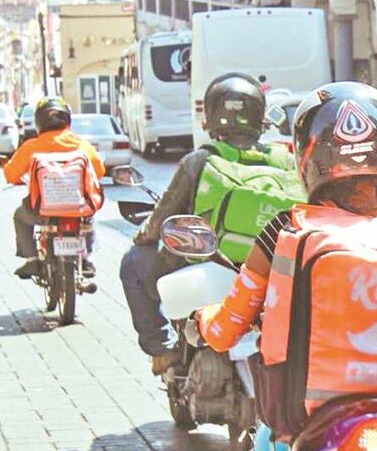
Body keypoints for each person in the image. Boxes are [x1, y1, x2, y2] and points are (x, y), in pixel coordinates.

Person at [193, 81, 377, 451]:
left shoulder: (285, 234)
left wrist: (203, 319)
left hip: (316, 411)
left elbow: (224, 329)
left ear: (307, 158)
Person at [119, 72, 294, 375]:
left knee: (133, 263)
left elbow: (162, 220)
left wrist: (142, 235)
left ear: (212, 116)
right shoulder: (285, 160)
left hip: (213, 264)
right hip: (275, 269)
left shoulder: (200, 160)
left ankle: (161, 350)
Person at [1, 96, 105, 280]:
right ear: (67, 119)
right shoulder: (82, 145)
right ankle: (86, 257)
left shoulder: (31, 146)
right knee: (89, 216)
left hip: (42, 210)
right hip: (77, 209)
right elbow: (99, 171)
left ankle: (32, 259)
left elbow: (10, 175)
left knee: (20, 217)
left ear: (39, 121)